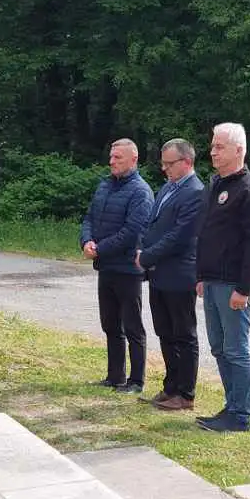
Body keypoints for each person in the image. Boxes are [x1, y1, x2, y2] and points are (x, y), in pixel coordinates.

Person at [194, 122, 250, 433]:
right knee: (219, 348)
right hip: (211, 281)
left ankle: (240, 415)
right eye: (212, 146)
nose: (212, 152)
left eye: (219, 147)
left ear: (238, 150)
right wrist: (201, 275)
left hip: (232, 286)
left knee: (236, 349)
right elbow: (206, 234)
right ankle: (231, 406)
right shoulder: (215, 186)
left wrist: (244, 288)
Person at [79, 139, 154, 392]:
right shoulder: (104, 186)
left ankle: (136, 380)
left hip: (128, 269)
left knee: (132, 326)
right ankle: (115, 376)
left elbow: (132, 232)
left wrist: (100, 248)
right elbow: (89, 217)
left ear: (134, 159)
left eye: (118, 157)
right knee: (110, 324)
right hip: (106, 267)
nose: (112, 161)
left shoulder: (140, 192)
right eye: (111, 157)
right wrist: (86, 240)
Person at [138, 139, 205, 411]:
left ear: (186, 162)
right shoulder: (167, 188)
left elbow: (181, 236)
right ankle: (171, 387)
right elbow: (152, 225)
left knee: (183, 334)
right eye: (163, 163)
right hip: (159, 273)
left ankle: (186, 394)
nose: (164, 168)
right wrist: (143, 248)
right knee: (164, 331)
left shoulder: (196, 192)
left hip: (180, 273)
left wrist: (148, 255)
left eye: (169, 163)